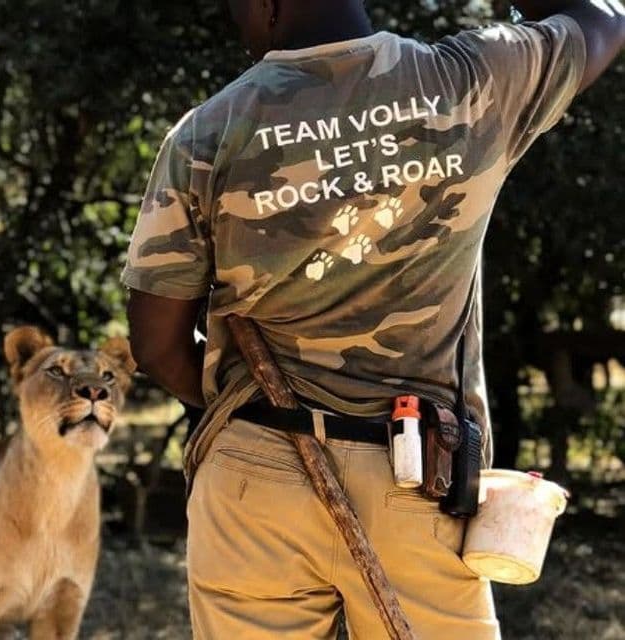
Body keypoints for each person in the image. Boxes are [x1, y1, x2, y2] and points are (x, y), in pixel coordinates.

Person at [122, 0, 625, 637]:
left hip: (254, 480)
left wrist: (242, 412)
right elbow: (605, 18)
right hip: (417, 476)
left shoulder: (207, 132)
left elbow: (156, 344)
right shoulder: (474, 80)